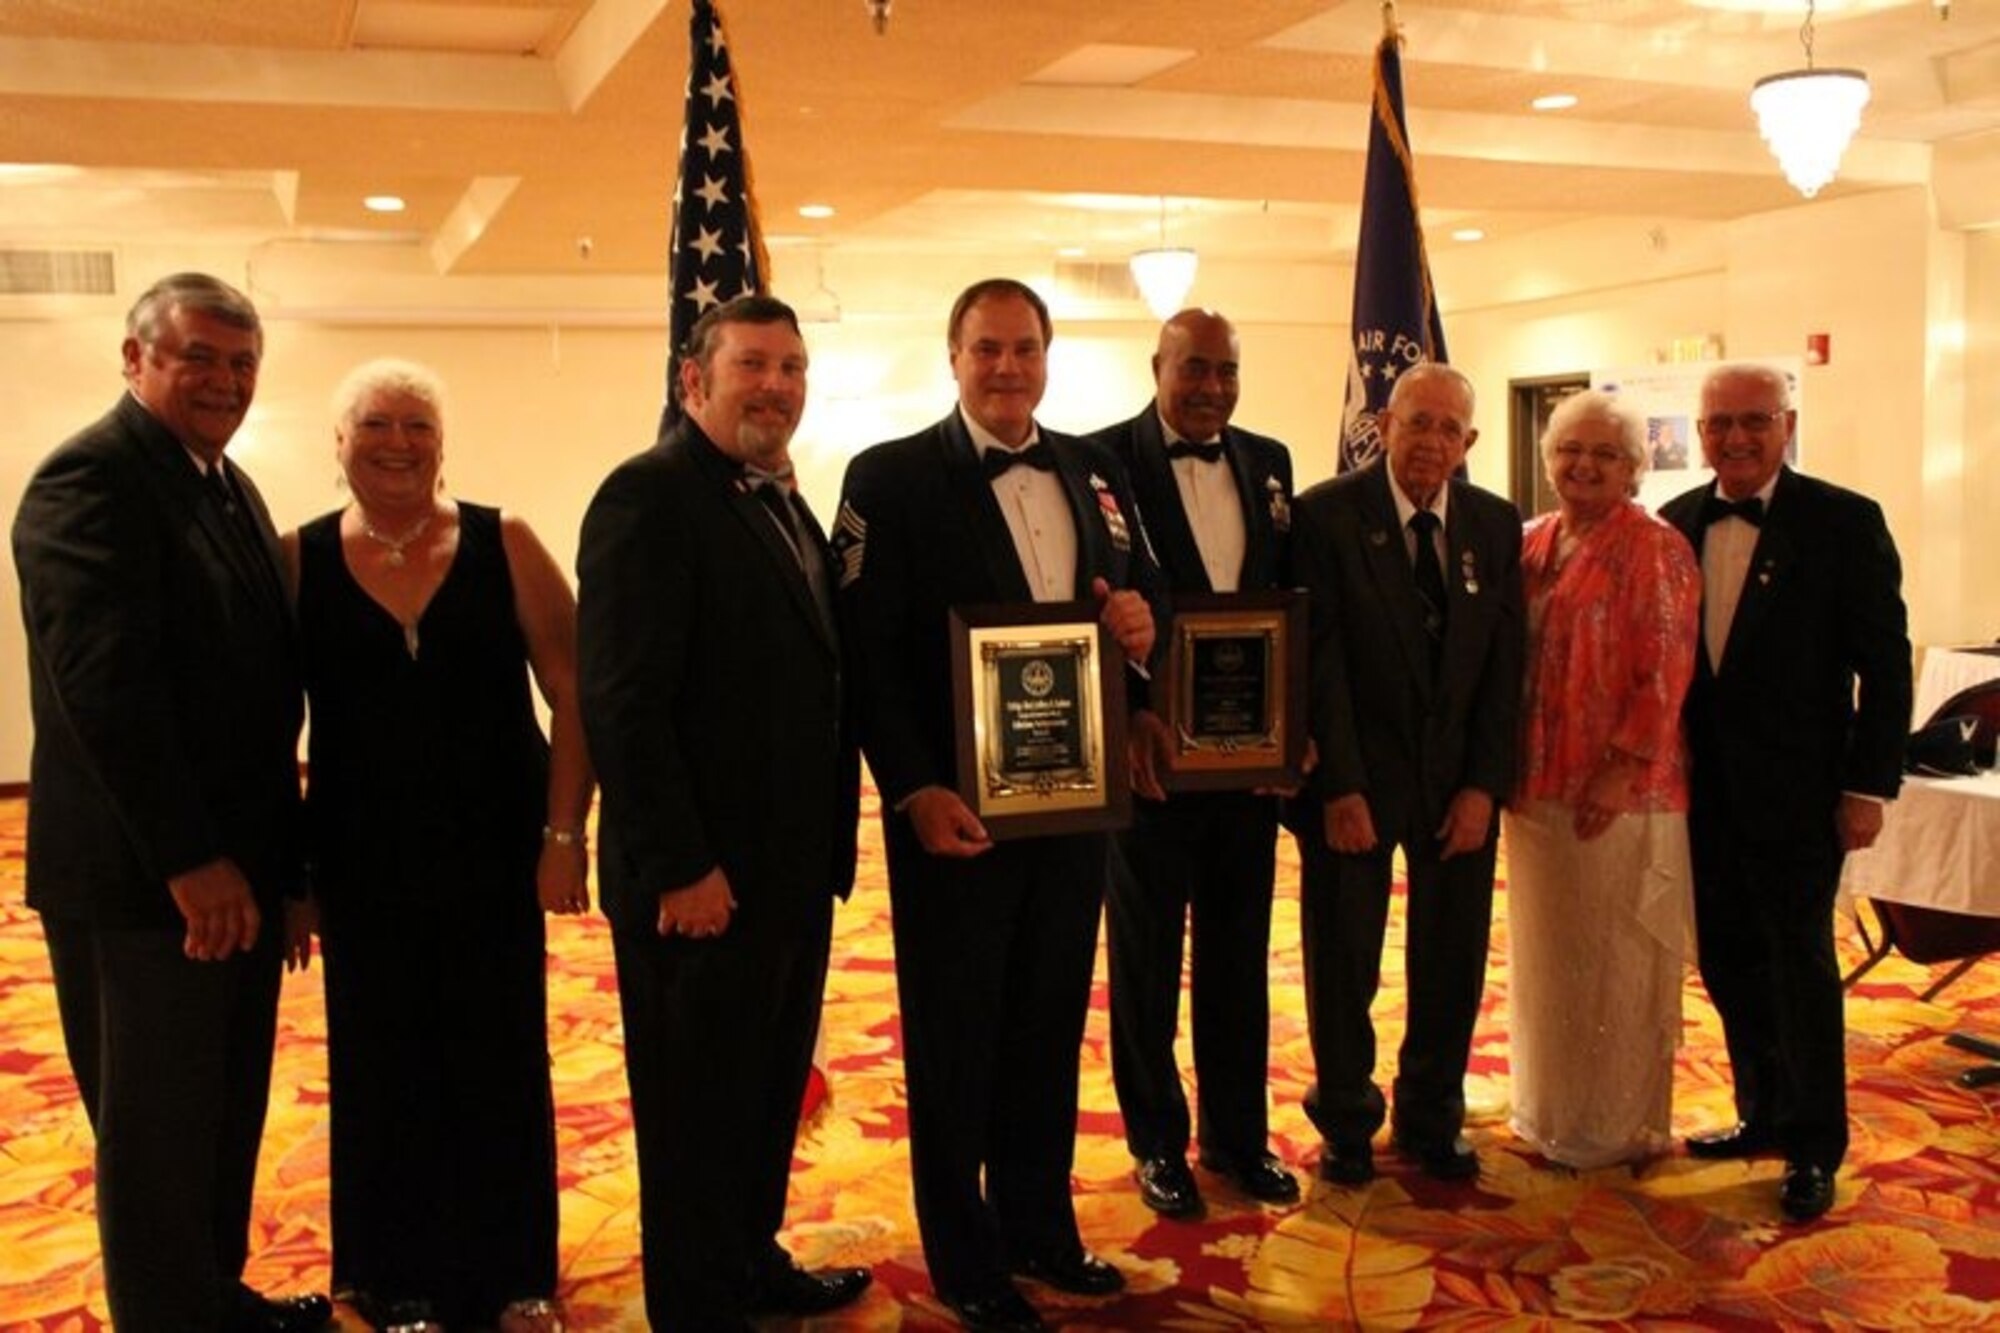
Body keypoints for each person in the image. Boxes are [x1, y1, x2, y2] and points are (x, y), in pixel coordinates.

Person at [834, 278, 1162, 1332]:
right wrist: (912, 787)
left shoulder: (1093, 467)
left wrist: (1138, 644)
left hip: (1071, 806)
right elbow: (867, 656)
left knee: (1045, 1022)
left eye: (1024, 348)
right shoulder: (888, 478)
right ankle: (962, 1251)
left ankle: (1037, 1225)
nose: (1007, 367)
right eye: (987, 349)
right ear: (953, 354)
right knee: (955, 1032)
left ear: (1046, 356)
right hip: (954, 813)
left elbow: (1127, 599)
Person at [10, 272, 332, 1332]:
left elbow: (260, 701)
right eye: (199, 355)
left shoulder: (226, 486)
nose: (225, 381)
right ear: (135, 357)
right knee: (153, 1135)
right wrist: (192, 862)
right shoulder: (89, 481)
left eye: (243, 363)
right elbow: (107, 695)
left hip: (232, 876)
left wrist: (283, 873)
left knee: (224, 1109)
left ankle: (213, 1298)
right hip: (145, 885)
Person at [577, 295, 870, 1330]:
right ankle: (698, 1303)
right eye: (753, 365)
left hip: (788, 873)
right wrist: (678, 866)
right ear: (691, 380)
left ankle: (750, 1259)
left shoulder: (782, 500)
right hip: (697, 883)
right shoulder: (647, 497)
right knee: (694, 1111)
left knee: (760, 1094)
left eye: (791, 367)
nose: (777, 386)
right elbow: (621, 700)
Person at [285, 358, 591, 1330]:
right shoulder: (298, 559)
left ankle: (513, 1273)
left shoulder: (507, 541)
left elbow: (576, 691)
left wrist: (562, 833)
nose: (397, 443)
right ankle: (392, 1274)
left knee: (500, 1058)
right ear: (337, 442)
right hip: (360, 862)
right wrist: (292, 875)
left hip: (495, 853)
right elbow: (262, 730)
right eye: (374, 424)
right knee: (380, 1064)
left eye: (417, 424)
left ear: (442, 440)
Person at [1661, 363, 1911, 1222]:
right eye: (1719, 423)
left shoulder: (1843, 521)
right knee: (1730, 960)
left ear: (1786, 424)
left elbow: (1884, 669)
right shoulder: (1678, 522)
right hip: (1704, 795)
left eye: (1754, 421)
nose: (1735, 438)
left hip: (1803, 796)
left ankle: (1814, 1143)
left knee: (1800, 964)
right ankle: (1761, 1111)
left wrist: (1868, 786)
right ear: (1700, 432)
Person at [1081, 309, 1299, 1218]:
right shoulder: (1097, 461)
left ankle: (1239, 1138)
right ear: (1158, 366)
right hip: (1153, 762)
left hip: (1247, 766)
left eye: (1227, 370)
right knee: (1145, 961)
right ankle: (1157, 1143)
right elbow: (1090, 604)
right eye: (1194, 369)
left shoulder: (1271, 460)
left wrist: (1294, 728)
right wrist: (1131, 715)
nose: (1211, 386)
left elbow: (1289, 601)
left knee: (1240, 955)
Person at [1288, 360, 1524, 1188]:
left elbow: (1504, 665)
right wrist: (1340, 785)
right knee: (1344, 959)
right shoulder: (1325, 514)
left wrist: (1483, 787)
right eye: (1416, 422)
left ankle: (1432, 1114)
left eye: (1447, 428)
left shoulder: (1496, 525)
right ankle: (1347, 1118)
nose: (1430, 441)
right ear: (1384, 424)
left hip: (1456, 784)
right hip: (1360, 782)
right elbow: (1318, 663)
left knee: (1451, 958)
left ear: (1470, 442)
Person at [1502, 390, 1700, 1170]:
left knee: (1613, 964)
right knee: (1551, 959)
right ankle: (1549, 1108)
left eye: (1605, 454)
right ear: (1549, 458)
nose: (1583, 465)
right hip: (1537, 786)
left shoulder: (1655, 547)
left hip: (1622, 796)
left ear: (1634, 467)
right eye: (1570, 450)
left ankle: (1612, 1123)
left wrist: (1622, 768)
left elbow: (1666, 665)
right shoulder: (1531, 539)